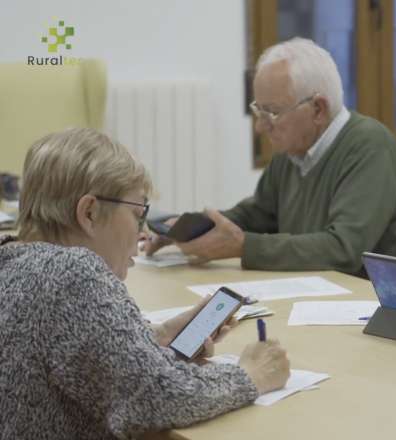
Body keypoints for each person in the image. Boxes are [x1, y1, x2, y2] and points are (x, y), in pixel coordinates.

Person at [0, 128, 290, 439]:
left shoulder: (12, 258)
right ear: (89, 212)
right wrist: (251, 375)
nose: (143, 233)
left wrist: (156, 336)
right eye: (138, 215)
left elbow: (68, 349)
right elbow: (161, 397)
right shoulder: (71, 272)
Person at [145, 37, 396, 275]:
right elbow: (258, 214)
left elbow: (343, 250)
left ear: (317, 109)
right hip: (321, 297)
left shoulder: (370, 145)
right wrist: (188, 227)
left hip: (375, 307)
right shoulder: (293, 148)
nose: (260, 126)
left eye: (273, 112)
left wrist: (243, 246)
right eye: (259, 111)